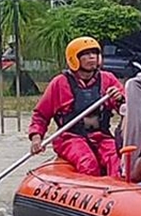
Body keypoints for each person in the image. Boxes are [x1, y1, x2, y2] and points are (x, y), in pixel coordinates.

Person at [29, 37, 124, 176]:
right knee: (88, 164)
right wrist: (36, 137)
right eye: (86, 54)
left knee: (117, 161)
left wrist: (120, 99)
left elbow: (126, 109)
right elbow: (41, 115)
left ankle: (117, 192)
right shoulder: (60, 83)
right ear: (74, 58)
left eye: (94, 53)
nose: (92, 57)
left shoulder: (108, 79)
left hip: (101, 136)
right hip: (70, 138)